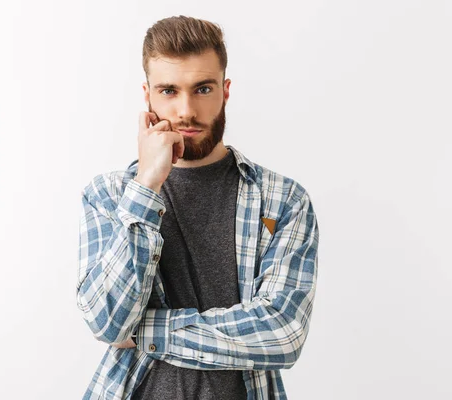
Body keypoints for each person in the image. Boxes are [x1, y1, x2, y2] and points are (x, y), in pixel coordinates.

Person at [76, 15, 320, 400]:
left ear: (225, 90)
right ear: (148, 97)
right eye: (169, 91)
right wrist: (146, 185)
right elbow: (108, 323)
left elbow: (282, 333)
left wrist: (146, 332)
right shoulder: (109, 195)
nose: (186, 110)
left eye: (202, 88)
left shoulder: (283, 200)